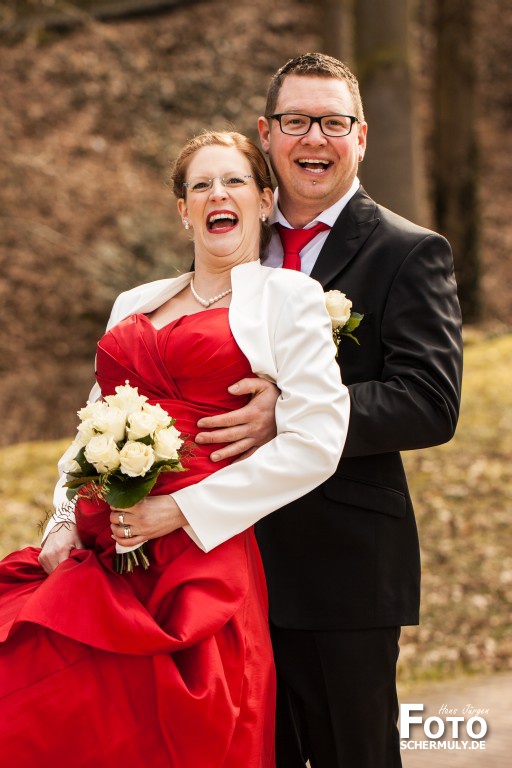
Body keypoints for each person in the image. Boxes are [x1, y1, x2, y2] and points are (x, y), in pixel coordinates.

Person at [0, 130, 350, 767]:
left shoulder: (287, 298)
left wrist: (179, 512)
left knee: (187, 734)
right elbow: (91, 427)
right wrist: (62, 520)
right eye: (201, 185)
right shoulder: (134, 303)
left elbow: (316, 442)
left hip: (200, 556)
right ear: (183, 210)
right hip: (102, 550)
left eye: (235, 181)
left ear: (264, 201)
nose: (218, 194)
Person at [174, 54, 463, 767]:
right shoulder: (230, 240)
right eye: (297, 120)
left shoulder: (407, 252)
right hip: (226, 562)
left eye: (333, 122)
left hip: (343, 570)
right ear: (266, 134)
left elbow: (430, 401)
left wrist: (294, 411)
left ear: (360, 136)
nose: (314, 138)